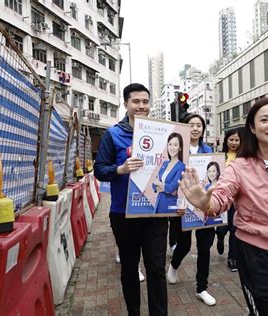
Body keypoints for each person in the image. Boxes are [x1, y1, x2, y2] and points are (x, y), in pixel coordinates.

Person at [179, 98, 268, 315]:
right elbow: (221, 198)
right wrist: (205, 202)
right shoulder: (239, 166)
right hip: (253, 252)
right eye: (265, 120)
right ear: (252, 127)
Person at [94, 83, 168, 316]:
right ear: (125, 103)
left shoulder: (162, 133)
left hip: (155, 212)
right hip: (123, 213)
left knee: (156, 268)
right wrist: (121, 169)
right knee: (129, 267)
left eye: (145, 102)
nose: (141, 106)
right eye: (136, 101)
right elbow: (99, 170)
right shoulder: (113, 134)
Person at [166, 113, 217, 306]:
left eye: (199, 125)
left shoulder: (208, 150)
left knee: (205, 247)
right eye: (191, 125)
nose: (195, 128)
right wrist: (177, 204)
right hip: (182, 205)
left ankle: (201, 288)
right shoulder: (177, 149)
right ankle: (174, 264)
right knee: (185, 245)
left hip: (204, 205)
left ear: (203, 129)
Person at [215, 128, 242, 272]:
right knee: (223, 228)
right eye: (231, 139)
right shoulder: (220, 157)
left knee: (234, 229)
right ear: (226, 141)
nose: (234, 142)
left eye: (237, 140)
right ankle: (219, 237)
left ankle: (232, 258)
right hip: (223, 198)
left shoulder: (243, 157)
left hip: (237, 200)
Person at [153, 132, 186, 214]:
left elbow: (171, 188)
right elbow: (153, 184)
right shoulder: (165, 163)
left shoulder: (181, 166)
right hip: (159, 202)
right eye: (170, 144)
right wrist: (165, 188)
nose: (172, 147)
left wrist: (159, 184)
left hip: (170, 205)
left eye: (175, 145)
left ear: (180, 148)